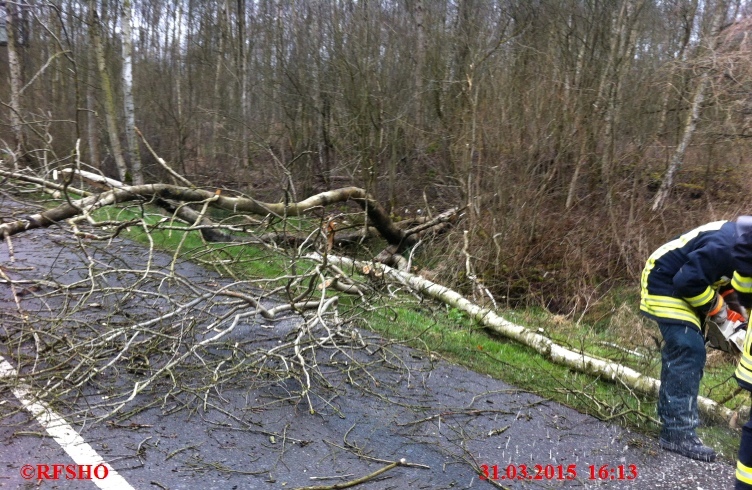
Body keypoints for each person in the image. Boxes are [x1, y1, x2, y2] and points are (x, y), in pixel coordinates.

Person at [640, 217, 752, 463]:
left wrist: (737, 320)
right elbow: (686, 280)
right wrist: (719, 311)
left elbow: (731, 283)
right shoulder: (726, 247)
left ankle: (675, 419)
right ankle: (677, 433)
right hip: (666, 279)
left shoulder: (744, 246)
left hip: (698, 281)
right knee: (688, 348)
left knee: (692, 351)